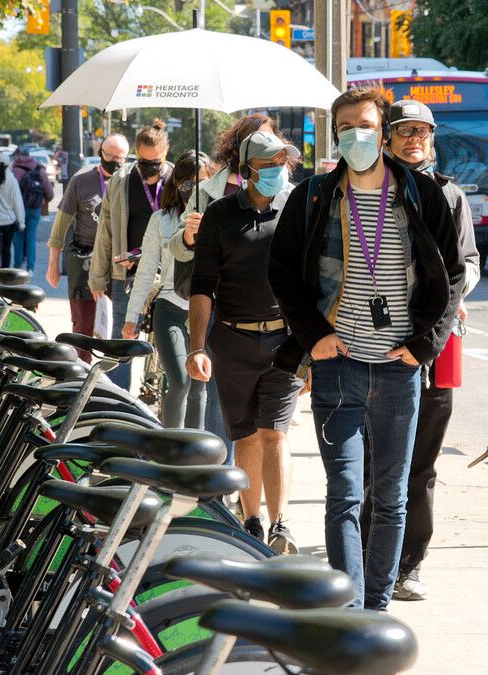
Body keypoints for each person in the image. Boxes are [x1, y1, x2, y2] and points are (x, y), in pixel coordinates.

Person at [268, 87, 465, 610]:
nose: (358, 134)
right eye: (347, 127)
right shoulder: (313, 196)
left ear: (385, 132)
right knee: (345, 495)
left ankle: (376, 607)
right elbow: (282, 274)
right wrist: (314, 337)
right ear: (335, 135)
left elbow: (453, 277)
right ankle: (350, 610)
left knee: (392, 499)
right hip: (339, 368)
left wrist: (423, 345)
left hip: (400, 371)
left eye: (368, 125)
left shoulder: (423, 196)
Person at [359, 99, 481, 602]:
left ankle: (409, 563)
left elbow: (469, 263)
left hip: (435, 345)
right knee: (370, 461)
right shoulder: (364, 190)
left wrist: (448, 301)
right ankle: (366, 555)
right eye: (405, 130)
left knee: (421, 463)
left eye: (422, 132)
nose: (414, 139)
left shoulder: (450, 196)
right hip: (372, 343)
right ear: (387, 138)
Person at [188, 131, 302, 553]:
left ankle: (281, 523)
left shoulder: (294, 211)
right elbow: (202, 286)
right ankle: (252, 519)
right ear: (248, 169)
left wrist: (308, 349)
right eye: (270, 164)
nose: (278, 172)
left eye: (283, 164)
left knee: (275, 432)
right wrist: (196, 347)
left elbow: (309, 284)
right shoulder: (219, 215)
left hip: (284, 342)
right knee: (247, 436)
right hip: (231, 341)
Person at [168, 113, 283, 443]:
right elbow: (177, 245)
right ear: (243, 154)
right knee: (225, 408)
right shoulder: (208, 191)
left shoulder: (285, 193)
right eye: (261, 143)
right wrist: (190, 235)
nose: (273, 157)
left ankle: (240, 483)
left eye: (275, 147)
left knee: (267, 426)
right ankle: (221, 479)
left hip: (263, 309)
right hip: (216, 305)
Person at [121, 150, 213, 428]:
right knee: (181, 380)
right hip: (169, 308)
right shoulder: (161, 220)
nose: (194, 190)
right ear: (177, 185)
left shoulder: (218, 217)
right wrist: (131, 316)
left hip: (206, 310)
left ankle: (197, 455)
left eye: (203, 183)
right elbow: (147, 271)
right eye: (188, 184)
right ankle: (171, 453)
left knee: (199, 383)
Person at [90, 119, 173, 391]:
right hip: (125, 272)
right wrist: (97, 279)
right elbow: (105, 232)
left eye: (155, 162)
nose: (149, 168)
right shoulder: (120, 180)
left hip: (167, 272)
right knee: (121, 339)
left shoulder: (176, 180)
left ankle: (161, 397)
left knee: (166, 339)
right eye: (143, 161)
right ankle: (118, 401)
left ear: (166, 155)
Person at [47, 133, 130, 362]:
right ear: (100, 154)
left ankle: (111, 375)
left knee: (120, 323)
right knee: (83, 324)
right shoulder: (81, 181)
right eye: (109, 155)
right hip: (85, 258)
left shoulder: (131, 182)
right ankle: (81, 374)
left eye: (119, 157)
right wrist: (53, 265)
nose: (114, 161)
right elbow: (59, 228)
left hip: (119, 262)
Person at [12, 147, 54, 271]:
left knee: (18, 236)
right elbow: (50, 193)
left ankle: (17, 265)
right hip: (35, 207)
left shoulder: (15, 170)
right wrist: (43, 201)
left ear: (19, 156)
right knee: (31, 236)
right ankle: (30, 267)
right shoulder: (39, 169)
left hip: (19, 208)